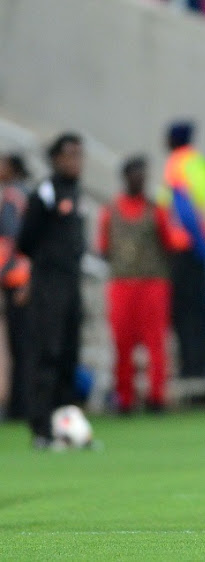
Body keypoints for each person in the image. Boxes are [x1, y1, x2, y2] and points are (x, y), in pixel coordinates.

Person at [17, 133, 86, 449]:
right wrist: (45, 265)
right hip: (49, 283)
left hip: (71, 281)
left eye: (79, 155)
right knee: (47, 351)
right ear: (56, 158)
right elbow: (25, 239)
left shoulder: (75, 190)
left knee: (69, 351)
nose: (76, 161)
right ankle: (41, 427)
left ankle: (64, 426)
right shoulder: (45, 191)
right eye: (70, 155)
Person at [98, 156, 176, 413]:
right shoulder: (110, 210)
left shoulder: (156, 210)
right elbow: (103, 247)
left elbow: (170, 241)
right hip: (122, 284)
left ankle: (156, 396)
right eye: (135, 175)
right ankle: (125, 397)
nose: (139, 180)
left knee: (155, 342)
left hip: (152, 284)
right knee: (122, 342)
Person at [158, 121, 205, 382]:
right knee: (203, 312)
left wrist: (200, 247)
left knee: (185, 313)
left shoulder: (176, 164)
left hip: (188, 248)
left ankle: (191, 369)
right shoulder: (202, 163)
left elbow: (183, 210)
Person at [0, 154, 32, 420]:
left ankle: (20, 405)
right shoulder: (18, 196)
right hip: (15, 279)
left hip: (16, 280)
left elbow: (16, 241)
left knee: (20, 346)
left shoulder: (13, 198)